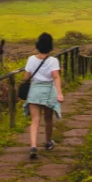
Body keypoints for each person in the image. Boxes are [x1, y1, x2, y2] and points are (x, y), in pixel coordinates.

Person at [24, 32, 64, 160]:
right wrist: (59, 93)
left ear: (38, 45)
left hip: (34, 90)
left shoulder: (31, 59)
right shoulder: (53, 61)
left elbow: (26, 77)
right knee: (48, 119)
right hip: (48, 91)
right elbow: (56, 77)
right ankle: (47, 142)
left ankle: (33, 146)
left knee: (35, 120)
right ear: (50, 46)